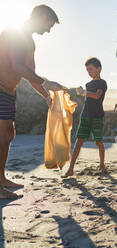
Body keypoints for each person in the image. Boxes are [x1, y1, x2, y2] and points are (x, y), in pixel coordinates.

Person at [0, 5, 65, 199]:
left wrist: (46, 95)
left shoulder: (29, 42)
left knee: (8, 134)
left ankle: (1, 179)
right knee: (2, 136)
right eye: (49, 24)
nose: (49, 30)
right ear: (42, 17)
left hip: (10, 92)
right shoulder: (14, 33)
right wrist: (47, 82)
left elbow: (31, 75)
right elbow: (17, 66)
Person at [62, 57, 108, 178]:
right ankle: (71, 169)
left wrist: (84, 93)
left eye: (91, 69)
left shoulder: (102, 83)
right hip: (85, 115)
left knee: (99, 142)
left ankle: (102, 165)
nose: (89, 72)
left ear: (99, 69)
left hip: (97, 116)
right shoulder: (88, 84)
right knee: (78, 142)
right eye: (87, 70)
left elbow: (97, 96)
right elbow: (88, 99)